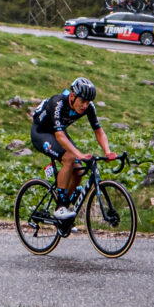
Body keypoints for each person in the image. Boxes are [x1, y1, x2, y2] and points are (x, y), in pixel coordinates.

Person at [29, 77, 113, 224]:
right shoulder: (58, 103)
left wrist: (107, 151)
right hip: (41, 133)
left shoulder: (88, 107)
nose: (85, 106)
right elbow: (60, 136)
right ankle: (60, 208)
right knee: (69, 158)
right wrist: (79, 154)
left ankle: (64, 214)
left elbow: (98, 131)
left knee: (79, 170)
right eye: (82, 101)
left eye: (88, 102)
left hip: (57, 132)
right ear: (73, 96)